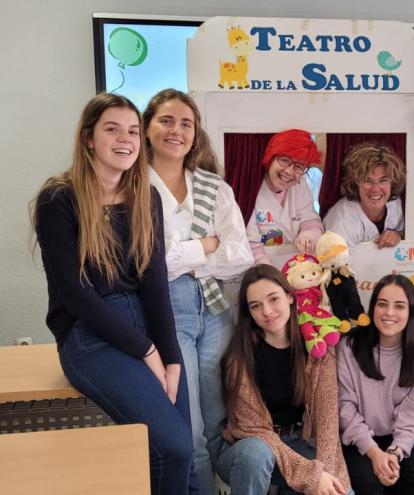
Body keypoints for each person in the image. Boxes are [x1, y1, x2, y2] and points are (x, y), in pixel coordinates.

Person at [31, 93, 198, 494]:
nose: (125, 139)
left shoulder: (146, 197)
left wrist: (171, 356)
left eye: (133, 131)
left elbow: (156, 284)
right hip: (90, 334)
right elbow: (75, 296)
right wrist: (147, 350)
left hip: (145, 326)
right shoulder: (59, 198)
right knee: (172, 448)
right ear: (89, 138)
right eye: (112, 129)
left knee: (186, 454)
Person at [143, 88, 253, 494]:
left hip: (216, 307)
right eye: (166, 121)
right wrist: (205, 245)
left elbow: (239, 253)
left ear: (196, 133)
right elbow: (145, 264)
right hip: (168, 310)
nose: (176, 131)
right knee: (187, 430)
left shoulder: (214, 187)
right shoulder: (133, 186)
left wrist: (181, 254)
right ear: (148, 127)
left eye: (186, 123)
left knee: (215, 420)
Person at [217, 264, 351, 495]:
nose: (267, 312)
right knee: (256, 454)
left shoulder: (317, 347)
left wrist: (325, 475)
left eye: (273, 299)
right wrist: (311, 476)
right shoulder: (238, 358)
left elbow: (328, 422)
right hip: (247, 450)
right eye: (255, 306)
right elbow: (256, 431)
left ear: (290, 296)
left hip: (299, 442)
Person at [337, 274, 414, 494]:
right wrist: (374, 452)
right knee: (368, 481)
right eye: (382, 304)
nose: (389, 313)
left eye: (399, 306)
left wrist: (395, 452)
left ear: (411, 312)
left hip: (400, 434)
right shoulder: (349, 346)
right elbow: (344, 408)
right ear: (372, 307)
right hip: (359, 438)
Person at [245, 129, 325, 265]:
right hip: (263, 268)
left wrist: (309, 234)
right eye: (284, 160)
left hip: (299, 268)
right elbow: (252, 245)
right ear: (270, 157)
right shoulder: (251, 190)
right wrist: (268, 275)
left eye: (299, 167)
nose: (289, 171)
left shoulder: (300, 185)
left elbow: (311, 220)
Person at [324, 142, 406, 248]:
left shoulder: (397, 206)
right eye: (368, 181)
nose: (376, 189)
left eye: (383, 181)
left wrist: (399, 235)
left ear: (392, 182)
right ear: (356, 182)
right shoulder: (341, 219)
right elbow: (335, 263)